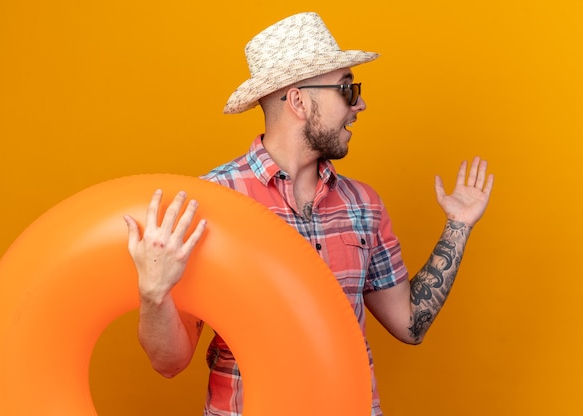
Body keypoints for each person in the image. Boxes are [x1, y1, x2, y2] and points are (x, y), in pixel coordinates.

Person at [123, 11, 493, 416]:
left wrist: (458, 226)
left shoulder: (363, 205)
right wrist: (154, 294)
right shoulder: (212, 204)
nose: (361, 104)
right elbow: (170, 362)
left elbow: (410, 325)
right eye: (347, 90)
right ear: (299, 100)